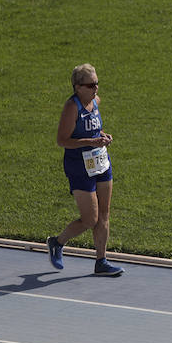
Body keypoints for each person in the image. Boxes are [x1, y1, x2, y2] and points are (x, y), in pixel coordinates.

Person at [46, 64, 124, 276]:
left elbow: (95, 128)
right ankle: (57, 242)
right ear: (78, 87)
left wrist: (104, 137)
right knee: (90, 219)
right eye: (91, 85)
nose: (96, 88)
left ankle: (101, 261)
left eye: (97, 83)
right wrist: (91, 141)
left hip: (100, 162)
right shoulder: (72, 107)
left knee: (105, 214)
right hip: (79, 167)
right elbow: (62, 140)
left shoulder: (95, 102)